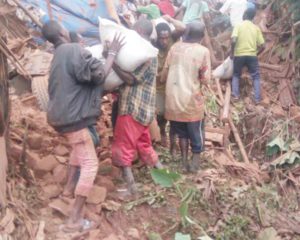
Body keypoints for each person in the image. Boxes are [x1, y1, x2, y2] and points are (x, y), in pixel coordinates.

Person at [42, 20, 124, 231]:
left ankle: (68, 191)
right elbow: (98, 76)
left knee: (79, 151)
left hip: (60, 117)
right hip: (73, 118)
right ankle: (74, 219)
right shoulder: (73, 49)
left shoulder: (58, 54)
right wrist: (113, 54)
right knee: (90, 164)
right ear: (62, 32)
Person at [111, 19, 163, 195]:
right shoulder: (146, 52)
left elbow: (131, 80)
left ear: (139, 30)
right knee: (144, 145)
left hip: (133, 107)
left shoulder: (145, 53)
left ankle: (131, 187)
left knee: (123, 146)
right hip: (144, 110)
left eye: (133, 29)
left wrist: (110, 59)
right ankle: (165, 178)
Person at [161, 21, 211, 172]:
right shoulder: (203, 51)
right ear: (201, 36)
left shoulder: (174, 48)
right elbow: (205, 79)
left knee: (181, 132)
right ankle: (195, 163)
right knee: (195, 131)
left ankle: (183, 163)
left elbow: (164, 74)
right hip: (191, 101)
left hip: (173, 100)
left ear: (185, 34)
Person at [152, 15, 185, 155]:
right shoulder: (152, 44)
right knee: (160, 112)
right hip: (158, 86)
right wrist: (154, 22)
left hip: (173, 85)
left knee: (173, 113)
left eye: (166, 38)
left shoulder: (173, 39)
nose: (164, 41)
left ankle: (172, 141)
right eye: (162, 38)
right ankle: (161, 130)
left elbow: (183, 28)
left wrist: (170, 19)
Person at [231, 7, 265, 104]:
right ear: (253, 17)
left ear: (245, 14)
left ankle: (236, 96)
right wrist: (256, 54)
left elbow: (233, 40)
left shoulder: (238, 25)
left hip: (239, 55)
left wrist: (231, 53)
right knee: (256, 77)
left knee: (236, 75)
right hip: (252, 56)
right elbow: (263, 46)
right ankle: (257, 99)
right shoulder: (256, 28)